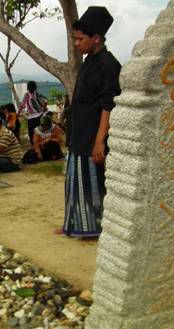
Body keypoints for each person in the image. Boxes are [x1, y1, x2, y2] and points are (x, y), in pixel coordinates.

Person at [61, 6, 121, 239]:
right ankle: (73, 224)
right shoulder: (88, 61)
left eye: (80, 39)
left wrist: (100, 142)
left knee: (92, 185)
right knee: (74, 184)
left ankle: (93, 230)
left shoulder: (109, 65)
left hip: (91, 138)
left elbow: (108, 106)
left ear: (96, 38)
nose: (77, 44)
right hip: (78, 136)